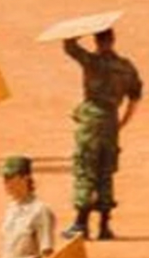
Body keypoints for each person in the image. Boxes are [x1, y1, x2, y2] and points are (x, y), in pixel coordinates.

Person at [61, 28, 143, 241]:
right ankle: (105, 227)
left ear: (97, 41)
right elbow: (135, 99)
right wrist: (121, 123)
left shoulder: (92, 62)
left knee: (86, 169)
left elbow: (69, 46)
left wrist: (80, 31)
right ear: (113, 40)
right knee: (105, 172)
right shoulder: (126, 67)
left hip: (90, 123)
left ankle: (81, 224)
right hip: (111, 123)